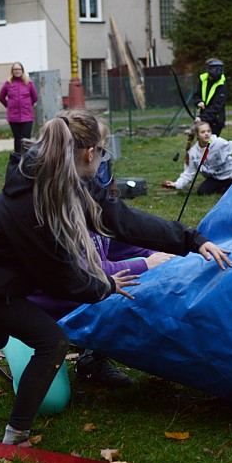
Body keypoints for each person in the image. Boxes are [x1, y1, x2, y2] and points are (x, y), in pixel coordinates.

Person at [0, 110, 232, 447]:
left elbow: (124, 220)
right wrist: (105, 285)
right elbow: (58, 277)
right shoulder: (33, 205)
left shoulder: (73, 179)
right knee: (51, 341)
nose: (103, 158)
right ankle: (16, 437)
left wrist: (191, 240)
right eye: (103, 151)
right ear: (89, 153)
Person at [27, 157, 175, 388]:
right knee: (50, 402)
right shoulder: (56, 219)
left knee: (130, 284)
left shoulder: (98, 212)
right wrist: (147, 264)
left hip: (78, 301)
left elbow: (129, 246)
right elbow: (85, 272)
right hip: (35, 317)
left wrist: (165, 256)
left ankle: (92, 359)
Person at [163, 121, 232, 196]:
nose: (206, 133)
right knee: (202, 191)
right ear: (197, 135)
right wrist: (176, 184)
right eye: (203, 132)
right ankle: (229, 187)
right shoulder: (193, 153)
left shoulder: (218, 142)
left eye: (208, 131)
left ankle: (230, 186)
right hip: (217, 179)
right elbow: (188, 174)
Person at [0, 62, 38, 154]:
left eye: (18, 69)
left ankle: (27, 159)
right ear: (12, 71)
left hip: (27, 117)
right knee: (17, 139)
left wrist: (28, 106)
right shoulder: (8, 83)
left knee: (26, 140)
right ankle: (17, 160)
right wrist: (9, 106)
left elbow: (35, 97)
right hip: (13, 117)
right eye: (15, 69)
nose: (17, 71)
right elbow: (1, 97)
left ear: (22, 71)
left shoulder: (29, 83)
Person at [191, 58, 227, 137]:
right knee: (203, 143)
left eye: (220, 68)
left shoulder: (222, 84)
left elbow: (217, 105)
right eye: (214, 68)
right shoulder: (203, 79)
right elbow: (196, 95)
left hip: (216, 120)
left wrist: (202, 118)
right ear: (208, 68)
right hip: (204, 118)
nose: (217, 71)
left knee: (212, 143)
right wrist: (199, 102)